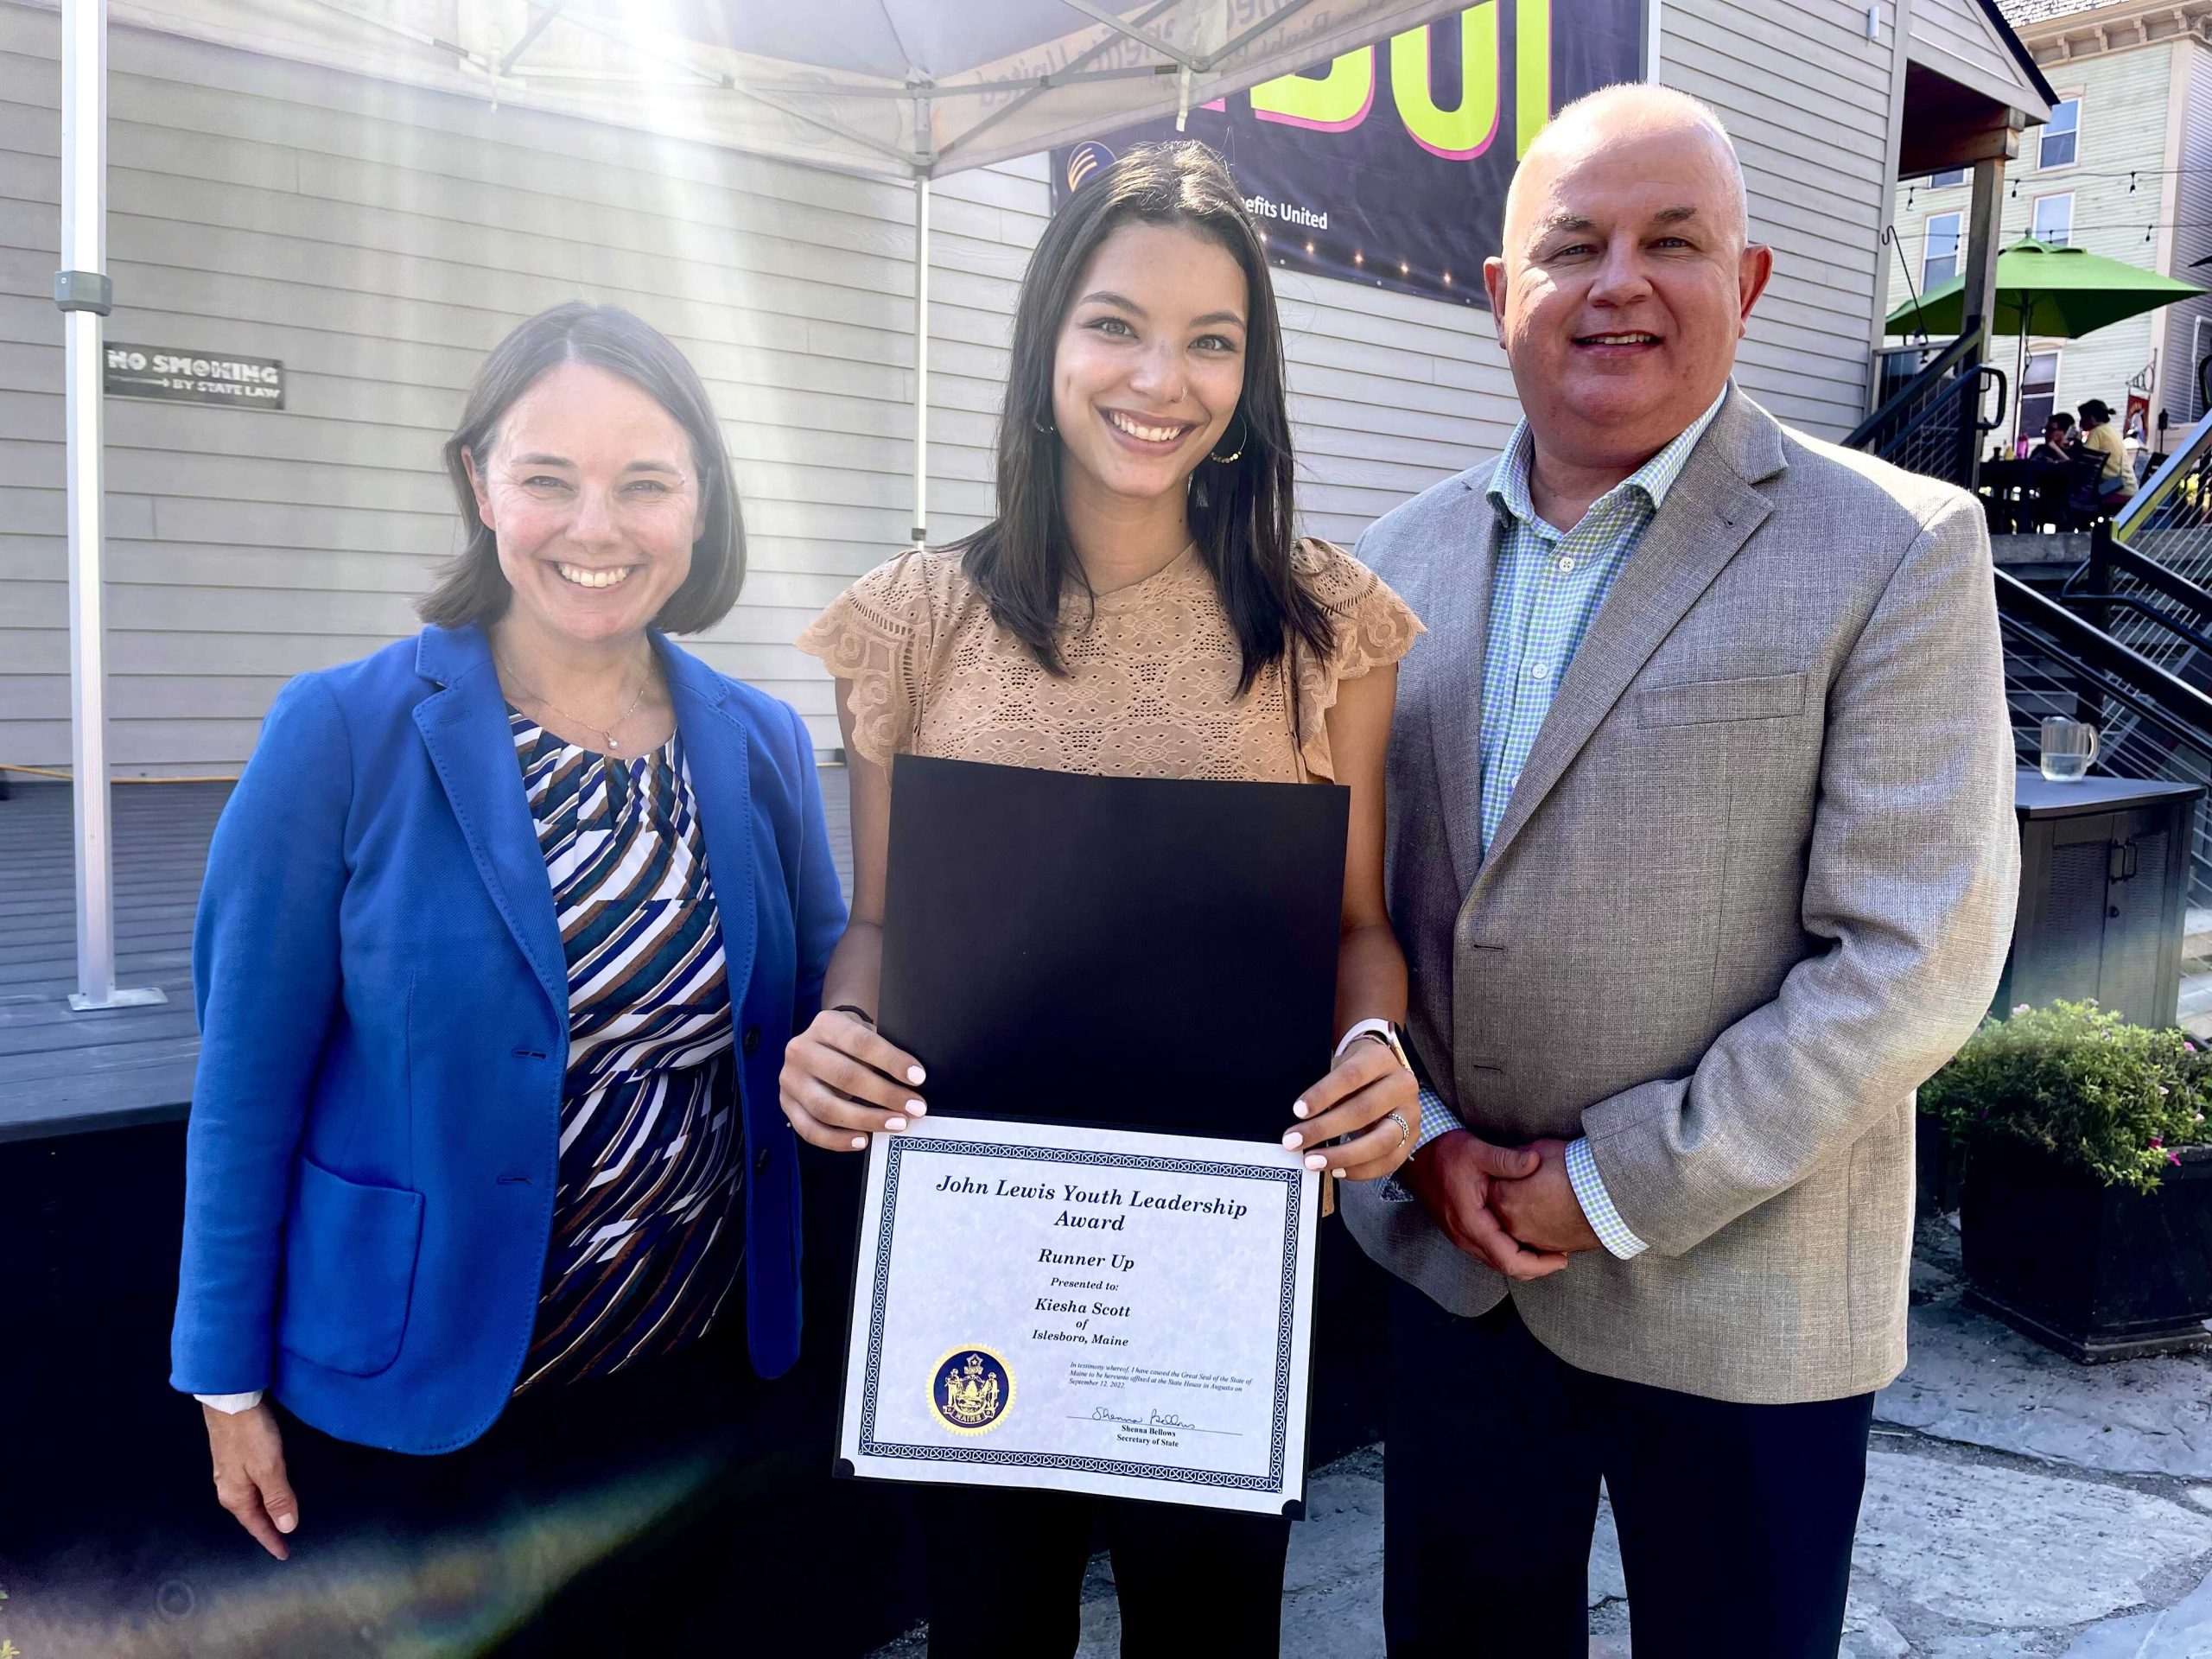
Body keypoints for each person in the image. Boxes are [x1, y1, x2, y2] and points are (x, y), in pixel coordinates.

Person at [1339, 85, 2020, 1657]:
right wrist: (1425, 1143)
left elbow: (1911, 959)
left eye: (1673, 242)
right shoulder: (1386, 566)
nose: (1618, 281)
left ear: (1753, 281)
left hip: (1746, 1296)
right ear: (1499, 292)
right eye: (1572, 244)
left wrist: (1607, 1184)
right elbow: (1346, 905)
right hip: (1462, 1275)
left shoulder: (1896, 549)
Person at [788, 141, 1423, 1657]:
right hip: (981, 1260)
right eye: (1118, 324)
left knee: (1211, 1637)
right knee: (991, 1631)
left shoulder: (1328, 625)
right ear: (1047, 342)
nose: (1163, 377)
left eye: (1215, 341)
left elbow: (1358, 930)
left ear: (1252, 379)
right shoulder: (916, 618)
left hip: (1218, 1265)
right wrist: (838, 1031)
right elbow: (880, 923)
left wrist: (1377, 1057)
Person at [170, 302, 848, 1640]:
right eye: (549, 479)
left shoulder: (761, 742)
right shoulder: (341, 733)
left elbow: (832, 1012)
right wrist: (224, 1381)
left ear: (699, 505)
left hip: (687, 1380)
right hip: (417, 1394)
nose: (596, 526)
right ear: (483, 486)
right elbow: (244, 1085)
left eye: (644, 483)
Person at [2079, 398, 2138, 503]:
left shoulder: (2097, 432)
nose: (2080, 422)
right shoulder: (2112, 431)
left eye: (2082, 418)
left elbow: (2084, 462)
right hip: (2129, 488)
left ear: (2092, 418)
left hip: (2114, 491)